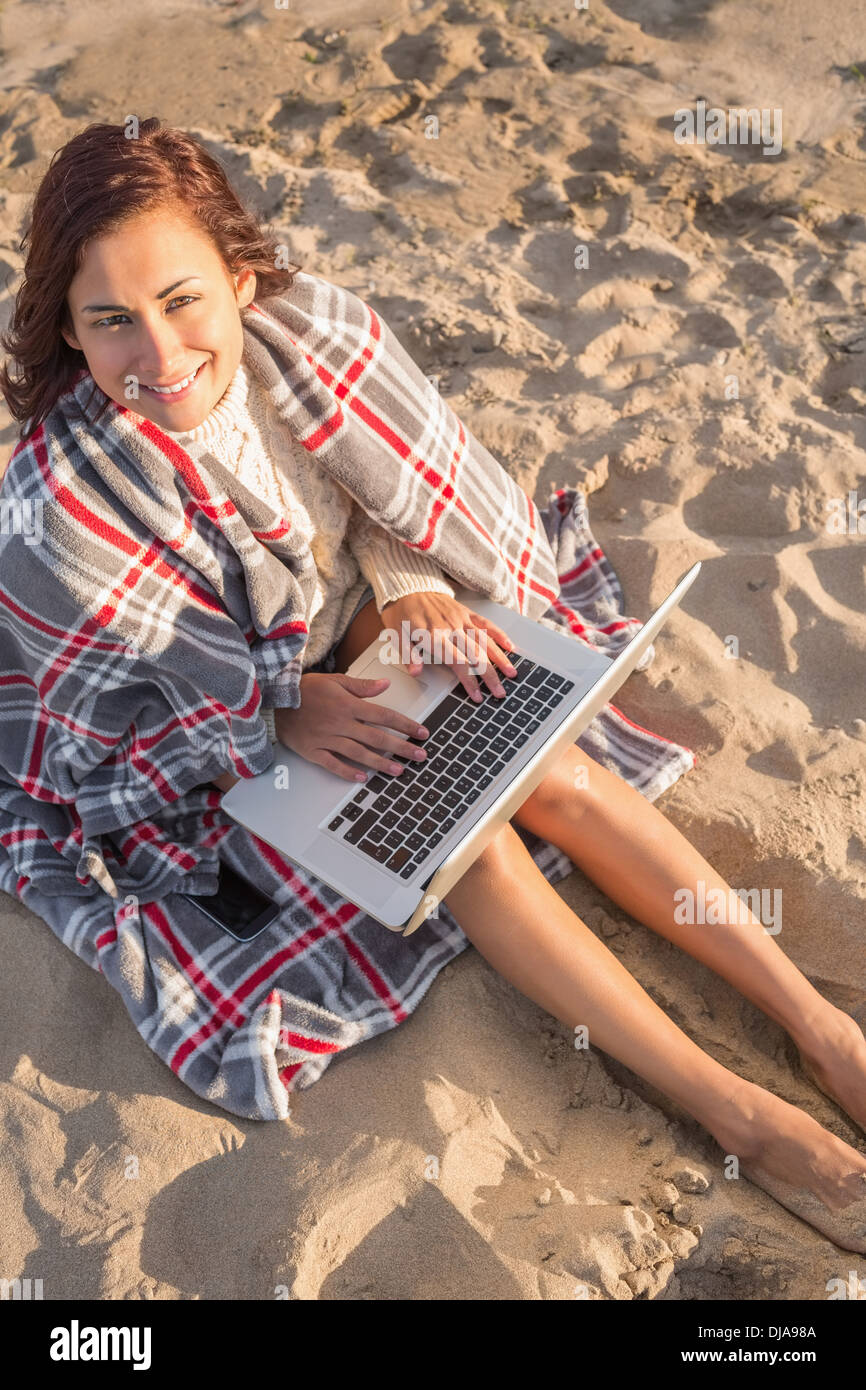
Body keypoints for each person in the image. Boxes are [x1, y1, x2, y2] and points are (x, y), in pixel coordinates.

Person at [1, 119, 864, 1254]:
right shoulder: (55, 509)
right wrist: (271, 713)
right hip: (222, 736)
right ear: (65, 328)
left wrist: (410, 584)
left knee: (542, 765)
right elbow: (97, 740)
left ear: (240, 277)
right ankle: (734, 1109)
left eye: (181, 299)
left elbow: (383, 501)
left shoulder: (307, 343)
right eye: (109, 320)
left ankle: (817, 1030)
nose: (156, 354)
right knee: (463, 838)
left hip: (351, 638)